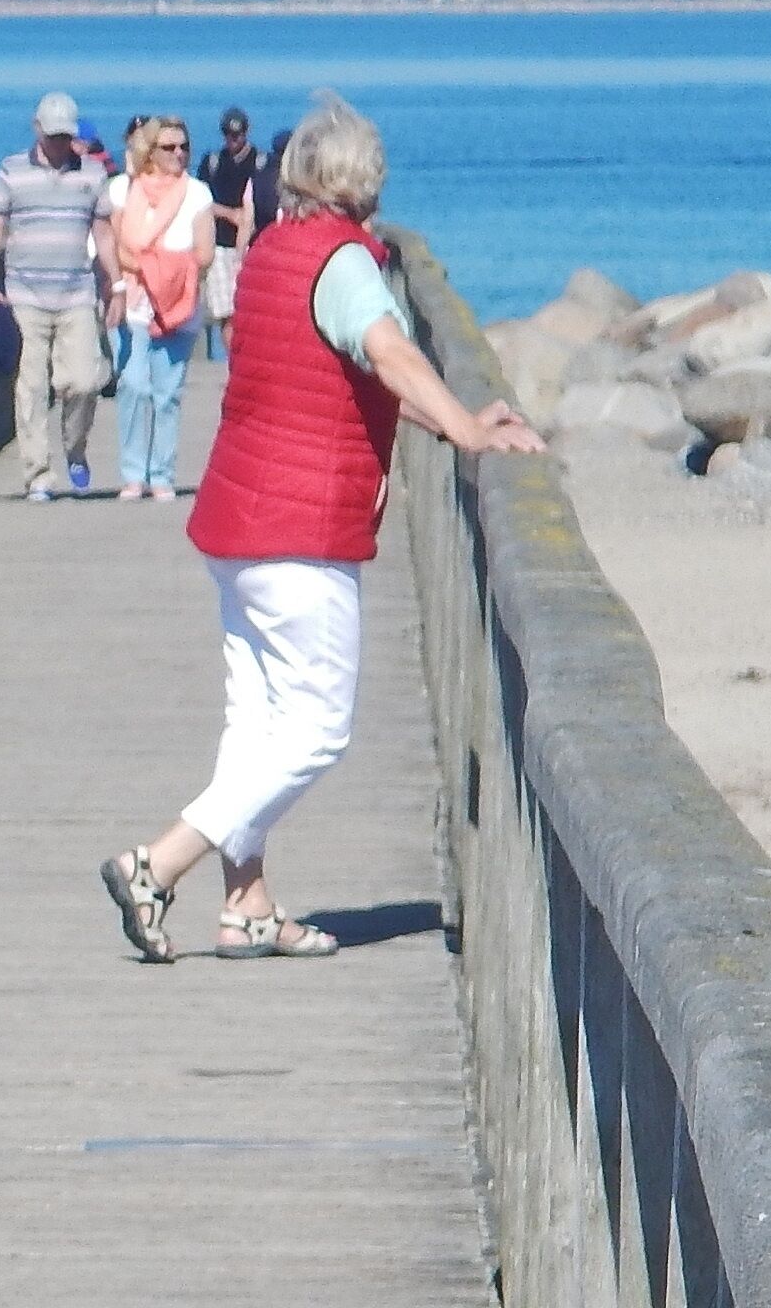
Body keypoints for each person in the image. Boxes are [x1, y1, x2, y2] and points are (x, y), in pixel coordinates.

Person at [98, 92, 545, 962]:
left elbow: (334, 377)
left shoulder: (270, 252)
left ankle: (247, 908)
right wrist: (465, 427)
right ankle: (157, 862)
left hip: (235, 517)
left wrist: (441, 413)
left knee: (258, 725)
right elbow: (387, 354)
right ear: (364, 183)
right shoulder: (346, 264)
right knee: (316, 731)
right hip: (299, 527)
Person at [0, 92, 114, 501]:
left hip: (76, 293)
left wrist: (116, 282)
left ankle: (75, 447)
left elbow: (104, 234)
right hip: (24, 294)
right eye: (52, 135)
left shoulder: (92, 175)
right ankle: (38, 473)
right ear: (37, 130)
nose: (58, 143)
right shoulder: (11, 172)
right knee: (31, 386)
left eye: (64, 136)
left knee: (85, 382)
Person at [106, 117, 213, 499]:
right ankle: (133, 472)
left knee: (167, 394)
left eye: (184, 146)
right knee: (134, 385)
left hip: (177, 308)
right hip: (133, 303)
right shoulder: (121, 189)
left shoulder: (198, 194)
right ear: (149, 150)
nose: (179, 154)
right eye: (169, 147)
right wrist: (152, 267)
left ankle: (162, 474)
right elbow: (113, 247)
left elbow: (205, 253)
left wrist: (163, 269)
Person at [197, 107, 264, 357]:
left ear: (246, 132)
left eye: (237, 134)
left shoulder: (260, 162)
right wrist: (231, 214)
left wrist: (248, 220)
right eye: (228, 134)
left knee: (252, 310)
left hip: (253, 247)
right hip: (220, 245)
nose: (232, 139)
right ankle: (235, 361)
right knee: (225, 312)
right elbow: (201, 200)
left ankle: (251, 357)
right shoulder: (213, 162)